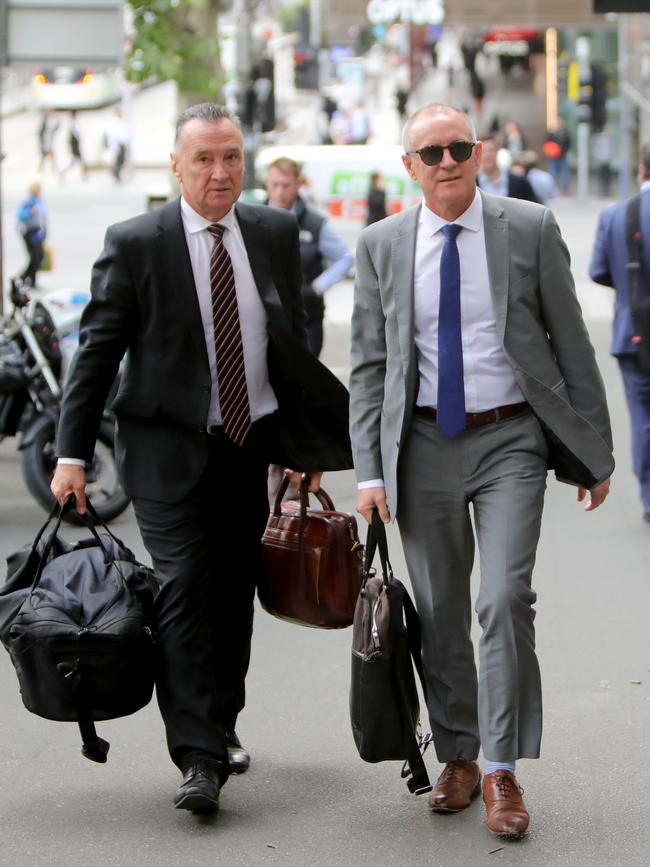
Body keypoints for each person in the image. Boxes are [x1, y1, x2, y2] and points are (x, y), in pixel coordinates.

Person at [50, 103, 352, 816]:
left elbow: (295, 348)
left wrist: (303, 450)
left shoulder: (275, 233)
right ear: (177, 166)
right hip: (163, 446)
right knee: (184, 585)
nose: (221, 173)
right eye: (205, 160)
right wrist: (70, 452)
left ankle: (221, 718)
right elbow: (97, 353)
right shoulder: (136, 242)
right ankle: (198, 756)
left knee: (233, 593)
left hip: (246, 445)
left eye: (232, 158)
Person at [349, 103, 613, 837]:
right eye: (430, 152)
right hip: (423, 446)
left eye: (458, 147)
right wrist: (369, 472)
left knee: (501, 597)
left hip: (511, 442)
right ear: (409, 166)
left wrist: (596, 452)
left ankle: (501, 768)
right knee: (439, 614)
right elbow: (369, 369)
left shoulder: (528, 228)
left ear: (481, 152)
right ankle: (458, 755)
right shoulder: (381, 245)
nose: (446, 162)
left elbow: (571, 343)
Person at [589, 142, 650, 523]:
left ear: (641, 168)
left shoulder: (616, 216)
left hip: (634, 334)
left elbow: (597, 270)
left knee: (643, 417)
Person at [265, 156, 353, 358]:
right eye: (274, 184)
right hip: (265, 321)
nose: (280, 191)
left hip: (306, 319)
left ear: (298, 184)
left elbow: (345, 258)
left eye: (286, 185)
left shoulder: (314, 224)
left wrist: (317, 287)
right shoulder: (251, 219)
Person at [478, 135, 538, 202]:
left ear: (498, 151)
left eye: (491, 150)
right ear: (477, 154)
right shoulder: (473, 185)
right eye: (483, 151)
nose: (487, 155)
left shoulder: (519, 182)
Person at [15, 179, 47, 286]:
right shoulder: (28, 201)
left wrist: (44, 236)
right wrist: (30, 212)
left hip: (38, 233)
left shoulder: (40, 201)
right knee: (35, 256)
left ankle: (28, 277)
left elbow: (43, 219)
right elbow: (20, 215)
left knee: (39, 256)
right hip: (29, 232)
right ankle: (26, 277)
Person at [544, 117, 571, 195]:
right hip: (553, 157)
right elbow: (547, 143)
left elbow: (568, 143)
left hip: (562, 157)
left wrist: (563, 151)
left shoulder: (565, 133)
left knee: (564, 175)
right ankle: (552, 190)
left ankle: (565, 190)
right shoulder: (552, 133)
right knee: (552, 174)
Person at [60, 111, 88, 180]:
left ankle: (84, 175)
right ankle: (63, 172)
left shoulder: (74, 123)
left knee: (76, 161)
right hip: (74, 145)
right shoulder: (72, 124)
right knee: (77, 161)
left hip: (75, 145)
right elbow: (75, 135)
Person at [104, 108, 129, 182]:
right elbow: (112, 135)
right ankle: (115, 172)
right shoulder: (114, 123)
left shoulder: (120, 122)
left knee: (121, 160)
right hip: (118, 144)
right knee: (120, 160)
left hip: (122, 144)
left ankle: (115, 171)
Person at [37, 108, 59, 175]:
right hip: (45, 141)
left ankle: (54, 170)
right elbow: (40, 133)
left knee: (49, 156)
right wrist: (40, 144)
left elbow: (56, 127)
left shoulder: (50, 119)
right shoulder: (45, 120)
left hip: (49, 141)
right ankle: (40, 171)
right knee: (45, 156)